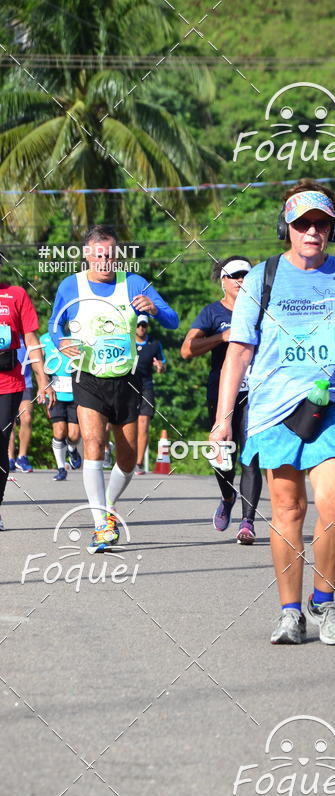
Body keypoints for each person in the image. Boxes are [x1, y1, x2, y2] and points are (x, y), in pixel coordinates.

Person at [211, 180, 335, 645]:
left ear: (332, 228)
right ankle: (290, 613)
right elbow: (238, 354)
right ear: (286, 227)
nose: (312, 231)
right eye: (302, 223)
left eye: (321, 223)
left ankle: (324, 604)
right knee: (288, 508)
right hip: (273, 409)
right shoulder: (263, 278)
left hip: (334, 405)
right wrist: (224, 417)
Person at [48, 225, 179, 552]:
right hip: (88, 377)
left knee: (128, 456)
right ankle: (100, 523)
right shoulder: (71, 285)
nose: (106, 261)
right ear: (88, 254)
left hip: (127, 380)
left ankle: (108, 503)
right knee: (93, 441)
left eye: (111, 255)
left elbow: (173, 319)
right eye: (100, 255)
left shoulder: (133, 283)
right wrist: (62, 343)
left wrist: (154, 308)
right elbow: (55, 326)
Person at [181, 255, 263, 544]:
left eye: (246, 274)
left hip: (256, 394)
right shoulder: (212, 313)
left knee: (250, 457)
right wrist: (222, 337)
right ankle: (227, 496)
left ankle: (248, 523)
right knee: (222, 455)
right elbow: (187, 350)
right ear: (223, 281)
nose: (241, 280)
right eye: (235, 274)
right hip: (222, 394)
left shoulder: (262, 310)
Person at [0, 282, 55, 529]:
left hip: (9, 383)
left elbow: (31, 340)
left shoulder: (16, 294)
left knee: (1, 441)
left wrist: (43, 379)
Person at [39, 330, 81, 480]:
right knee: (59, 431)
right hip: (55, 393)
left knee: (74, 435)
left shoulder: (79, 337)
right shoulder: (44, 339)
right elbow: (38, 366)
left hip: (76, 392)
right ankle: (61, 468)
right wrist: (42, 386)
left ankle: (72, 448)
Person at [133, 314, 167, 475]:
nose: (141, 328)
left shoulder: (154, 344)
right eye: (139, 325)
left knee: (144, 422)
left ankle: (138, 463)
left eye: (144, 325)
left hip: (146, 387)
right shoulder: (126, 342)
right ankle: (123, 459)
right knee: (125, 424)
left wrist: (160, 367)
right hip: (127, 387)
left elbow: (163, 366)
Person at [8, 341, 34, 473]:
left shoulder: (27, 339)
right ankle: (9, 458)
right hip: (7, 384)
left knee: (27, 417)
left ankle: (22, 457)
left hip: (25, 384)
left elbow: (38, 361)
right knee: (8, 422)